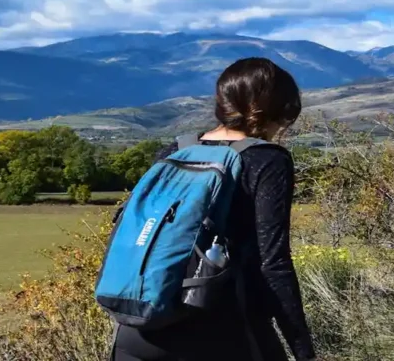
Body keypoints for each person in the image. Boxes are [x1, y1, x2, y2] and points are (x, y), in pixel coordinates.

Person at [112, 57, 317, 361]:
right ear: (279, 110)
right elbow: (273, 265)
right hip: (221, 331)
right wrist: (304, 351)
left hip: (138, 328)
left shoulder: (177, 150)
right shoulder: (267, 160)